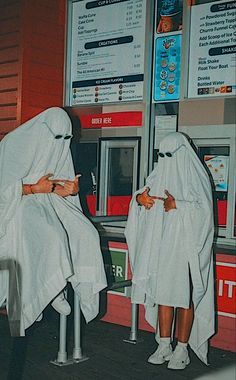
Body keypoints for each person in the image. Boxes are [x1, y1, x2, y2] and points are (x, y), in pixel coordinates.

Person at [0, 107, 107, 336]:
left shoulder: (60, 142)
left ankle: (83, 291)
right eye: (58, 137)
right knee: (52, 235)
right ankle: (53, 288)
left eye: (66, 139)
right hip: (19, 204)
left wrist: (68, 189)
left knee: (87, 234)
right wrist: (33, 188)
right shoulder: (13, 144)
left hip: (48, 201)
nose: (61, 143)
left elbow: (56, 182)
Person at [125, 132, 215, 369]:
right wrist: (139, 200)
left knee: (183, 297)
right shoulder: (159, 174)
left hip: (186, 249)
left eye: (169, 155)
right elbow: (142, 194)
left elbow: (205, 214)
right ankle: (164, 343)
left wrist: (179, 205)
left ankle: (182, 349)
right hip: (162, 247)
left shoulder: (196, 177)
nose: (165, 160)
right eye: (161, 155)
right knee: (164, 294)